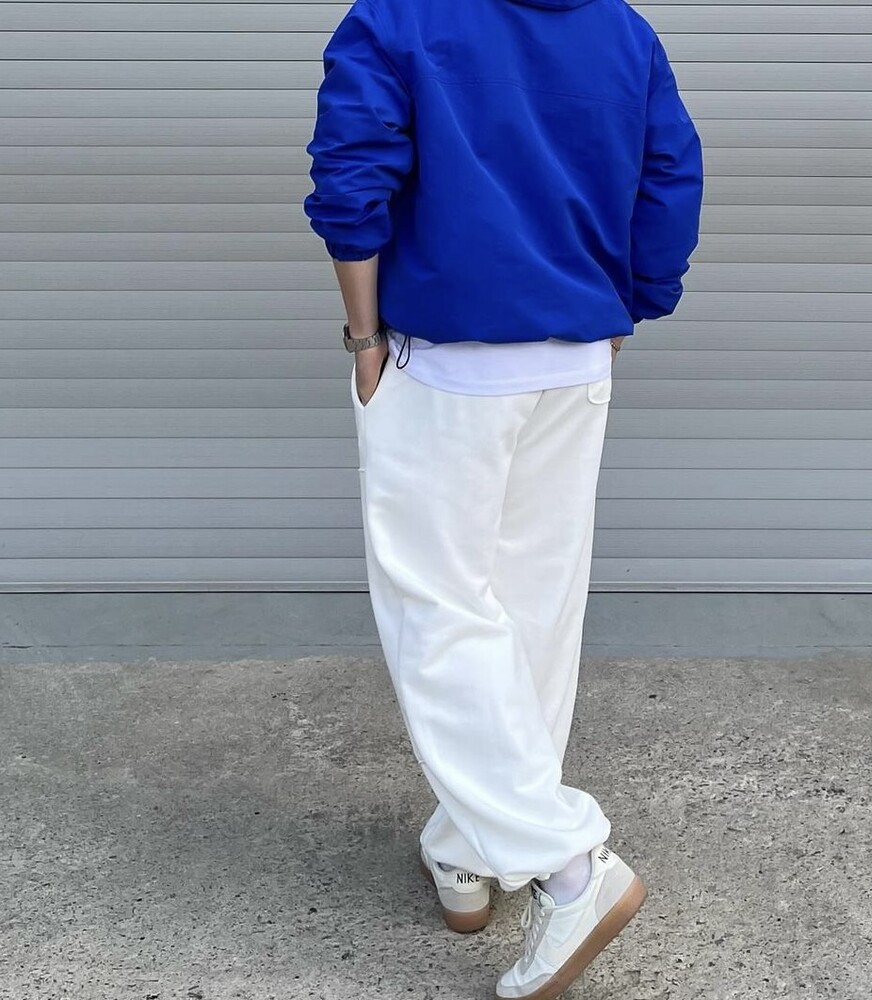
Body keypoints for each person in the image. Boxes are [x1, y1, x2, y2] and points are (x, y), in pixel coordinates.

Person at [303, 0, 702, 994]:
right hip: (575, 355)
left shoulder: (398, 17)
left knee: (438, 615)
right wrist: (627, 306)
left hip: (447, 360)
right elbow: (669, 179)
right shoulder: (623, 31)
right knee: (532, 612)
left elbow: (351, 176)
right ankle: (467, 847)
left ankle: (567, 867)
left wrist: (363, 338)